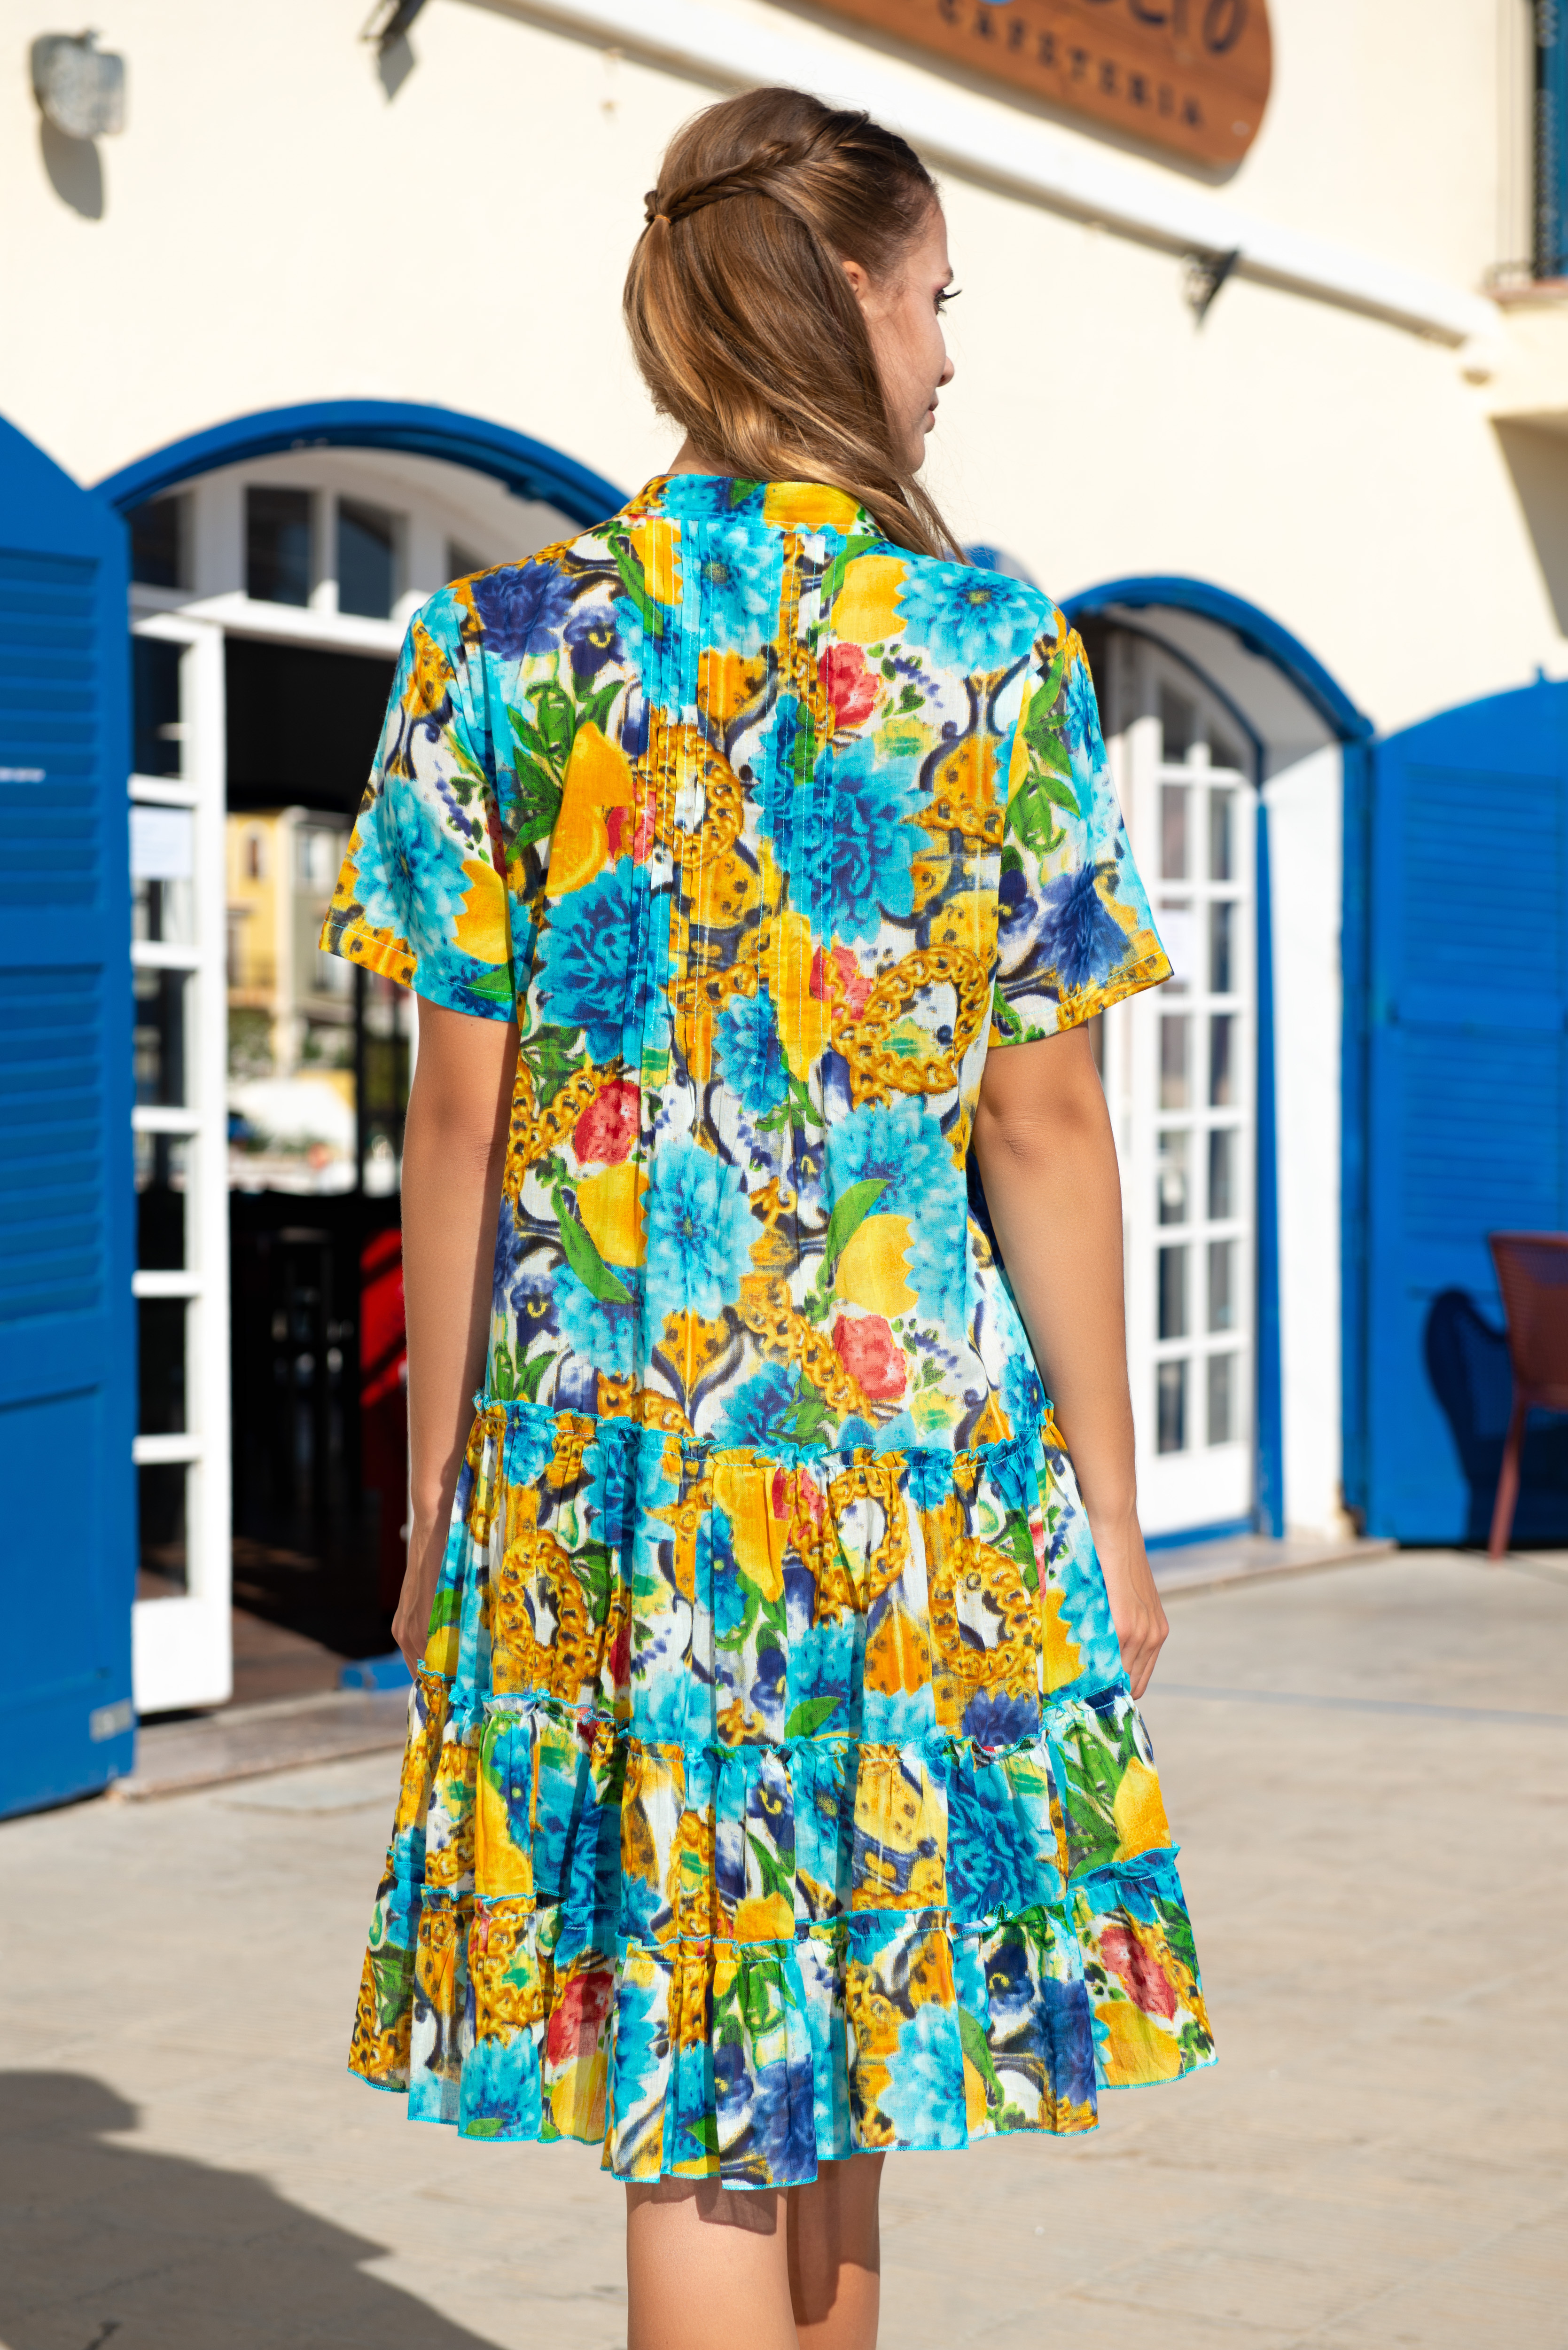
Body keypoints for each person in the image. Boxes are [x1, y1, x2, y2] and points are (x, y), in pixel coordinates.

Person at [322, 84, 1214, 2350]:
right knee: (808, 2079)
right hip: (900, 1461)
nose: (948, 352)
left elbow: (458, 1127)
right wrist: (1111, 1509)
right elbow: (1045, 1127)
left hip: (613, 1464)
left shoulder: (500, 647)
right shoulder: (988, 651)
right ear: (840, 294)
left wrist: (439, 1493)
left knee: (734, 2086)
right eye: (933, 298)